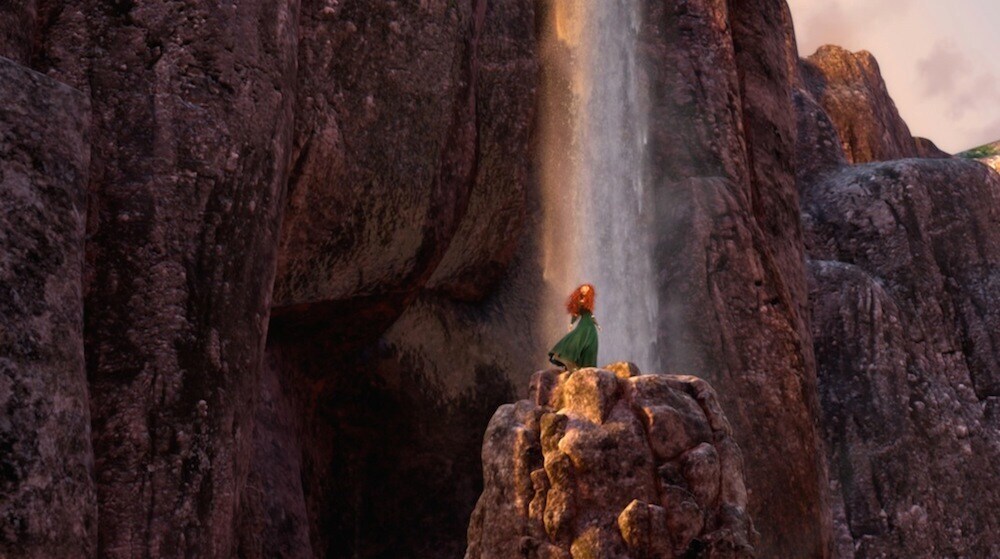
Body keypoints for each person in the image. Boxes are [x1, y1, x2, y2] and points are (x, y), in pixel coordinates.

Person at [548, 284, 599, 371]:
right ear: (580, 290)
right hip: (584, 324)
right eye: (584, 288)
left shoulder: (588, 302)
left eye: (587, 288)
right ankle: (566, 357)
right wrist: (571, 324)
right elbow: (575, 314)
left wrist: (597, 324)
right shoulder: (579, 301)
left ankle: (587, 366)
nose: (585, 289)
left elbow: (591, 315)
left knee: (592, 341)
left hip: (590, 325)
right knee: (577, 338)